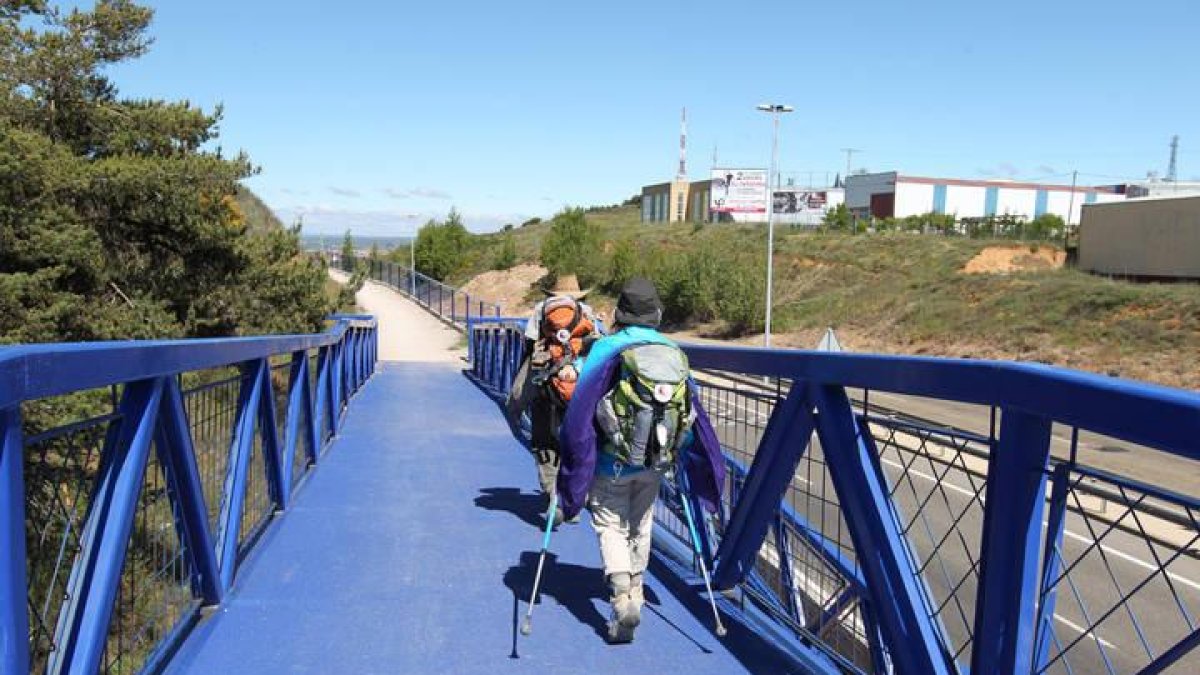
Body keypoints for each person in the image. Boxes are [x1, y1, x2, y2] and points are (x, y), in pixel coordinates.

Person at [557, 277, 726, 644]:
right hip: (655, 464)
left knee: (611, 523)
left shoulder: (608, 348)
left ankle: (620, 597)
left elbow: (580, 414)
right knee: (641, 523)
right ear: (657, 314)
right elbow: (691, 412)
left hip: (610, 463)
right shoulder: (672, 351)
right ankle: (636, 590)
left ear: (620, 313)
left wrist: (571, 472)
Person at [504, 274, 602, 525]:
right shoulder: (588, 313)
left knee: (544, 441)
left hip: (546, 387)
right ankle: (575, 500)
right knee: (578, 442)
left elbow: (529, 347)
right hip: (579, 389)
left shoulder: (541, 310)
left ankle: (552, 496)